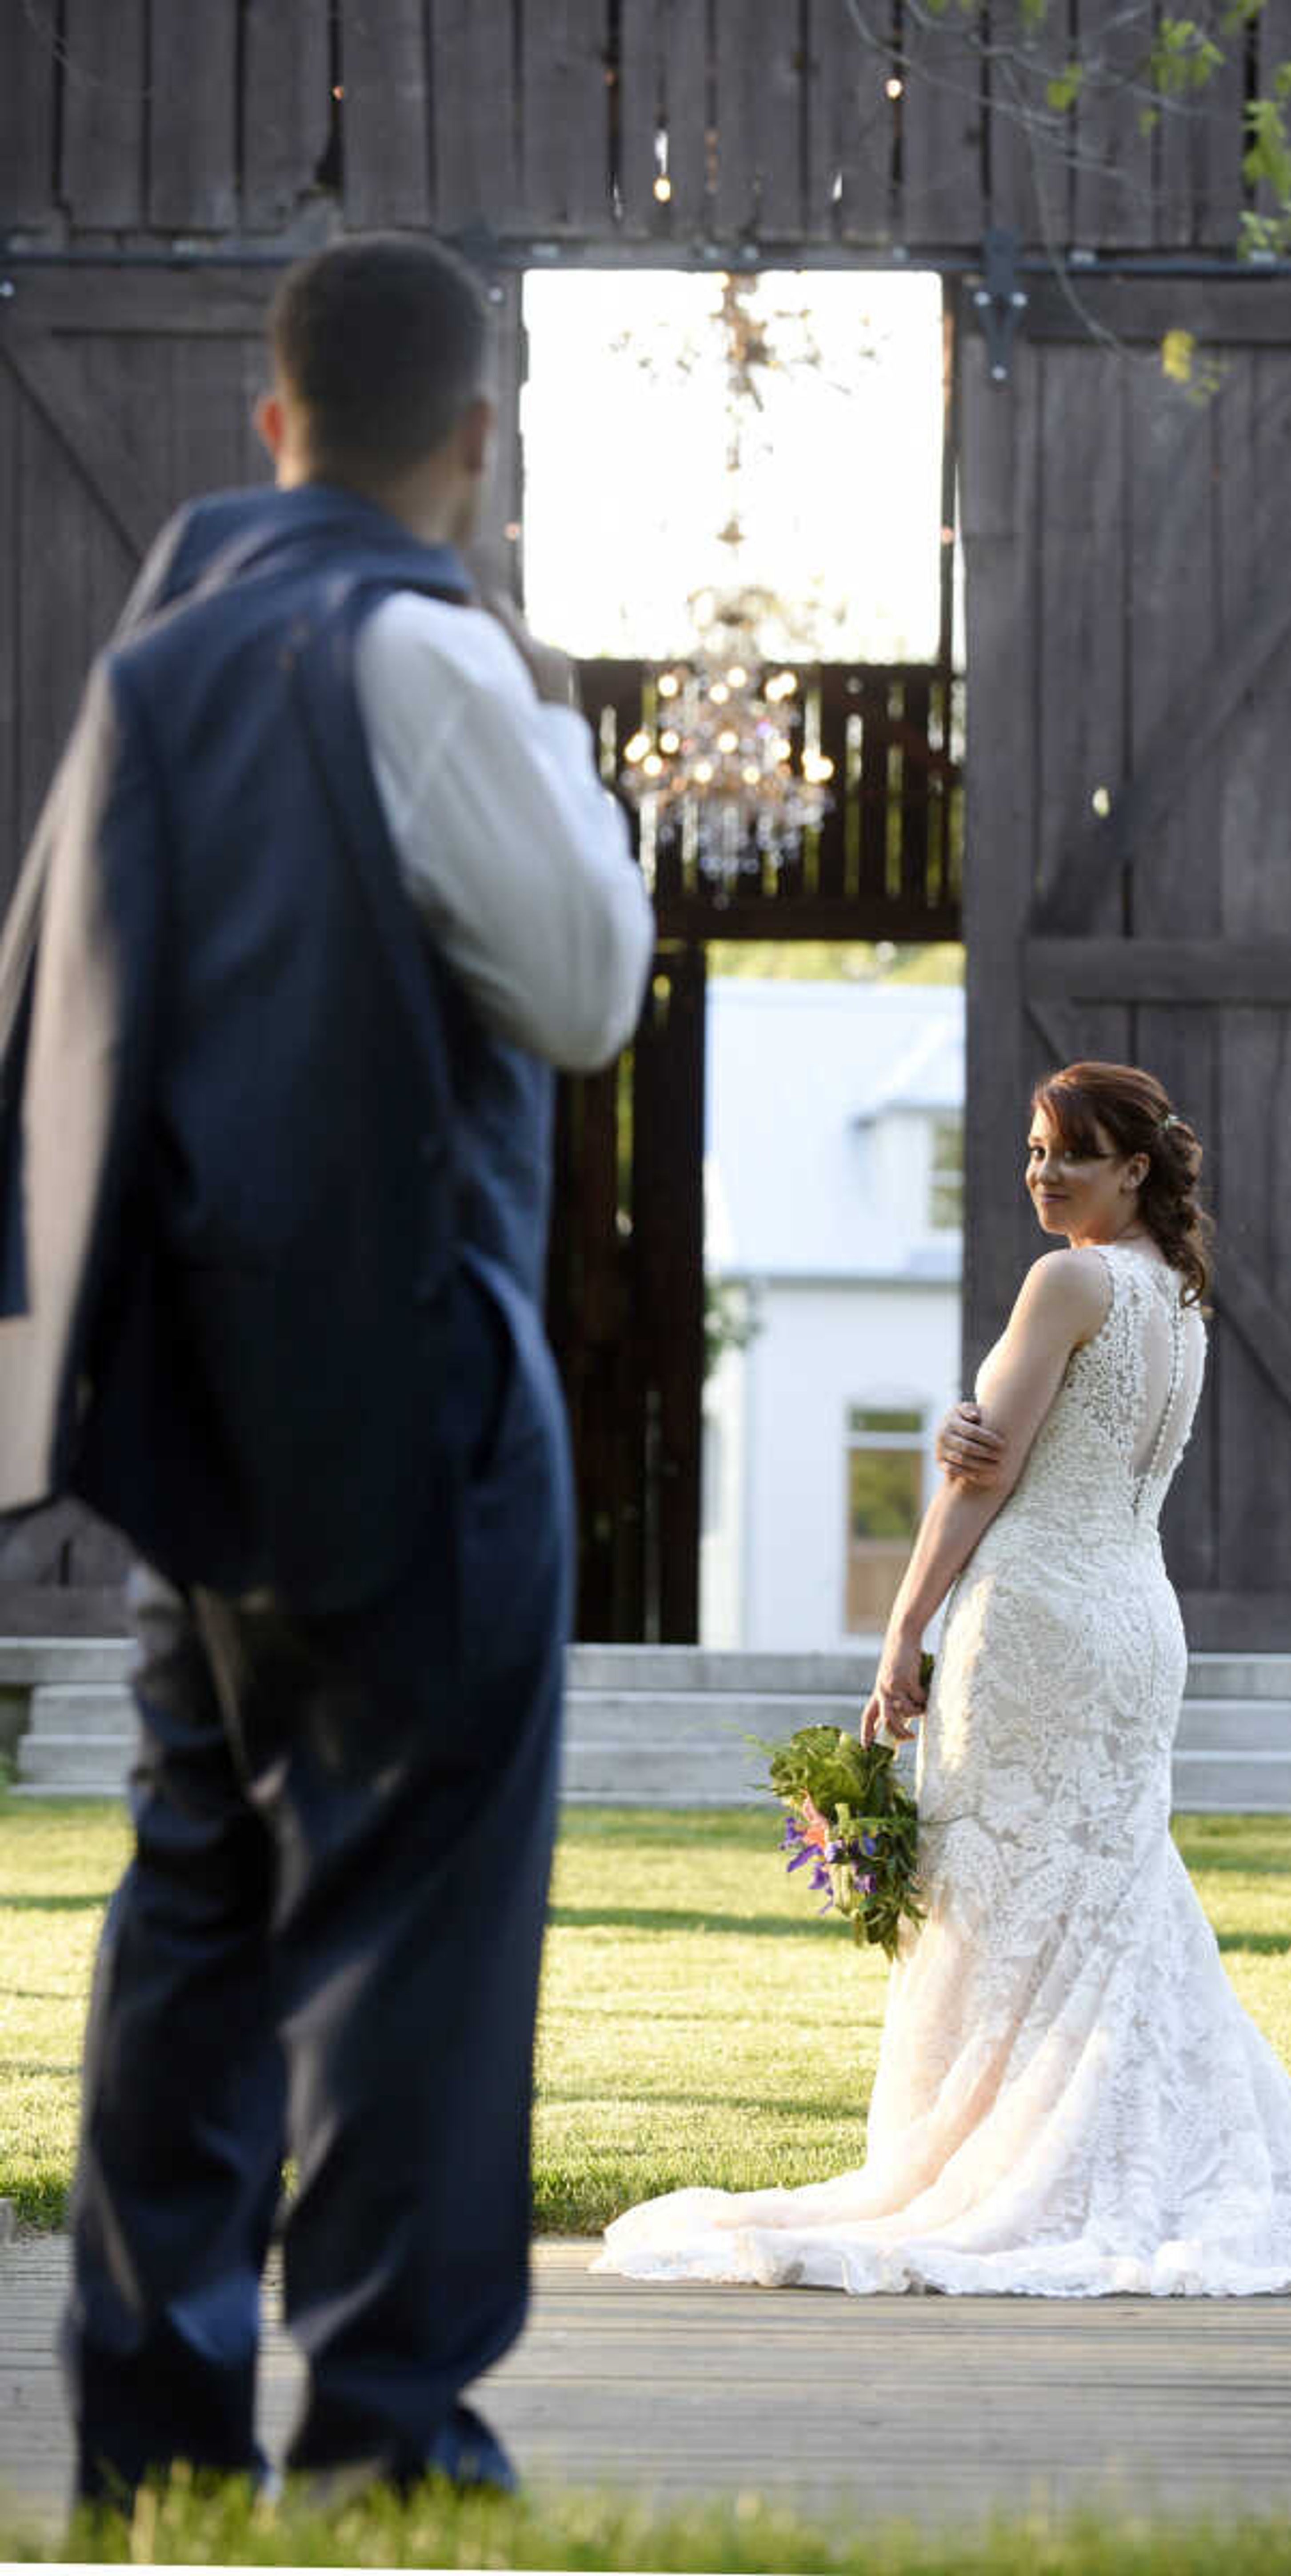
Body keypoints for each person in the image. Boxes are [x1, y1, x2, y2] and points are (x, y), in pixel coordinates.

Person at [0, 233, 653, 2505]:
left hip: (185, 1432)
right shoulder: (419, 649)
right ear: (472, 448)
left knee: (193, 1920)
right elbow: (580, 986)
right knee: (418, 1949)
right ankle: (383, 2458)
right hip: (414, 1388)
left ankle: (155, 2456)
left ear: (270, 426)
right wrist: (559, 732)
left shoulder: (152, 672)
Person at [596, 1062, 1291, 2307]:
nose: (1040, 1174)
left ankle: (994, 2164)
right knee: (1105, 1894)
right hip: (1139, 1621)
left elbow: (985, 1475)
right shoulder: (1182, 1303)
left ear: (1137, 1170)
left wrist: (900, 1631)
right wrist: (967, 1427)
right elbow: (1034, 1444)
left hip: (1041, 1616)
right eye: (1033, 1150)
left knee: (997, 1894)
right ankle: (1118, 2150)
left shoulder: (1069, 1282)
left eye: (1068, 1153)